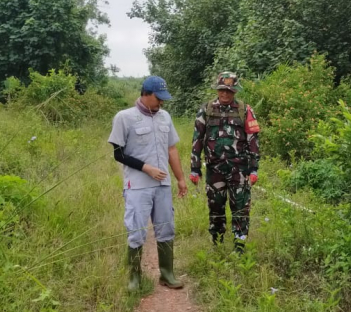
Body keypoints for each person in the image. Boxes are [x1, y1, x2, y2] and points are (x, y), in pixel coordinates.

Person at [108, 76, 188, 291]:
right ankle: (134, 278)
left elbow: (172, 149)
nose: (161, 103)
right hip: (138, 185)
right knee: (136, 230)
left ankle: (167, 274)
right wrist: (147, 168)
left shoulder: (165, 117)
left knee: (166, 227)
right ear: (146, 94)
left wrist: (180, 178)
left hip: (162, 185)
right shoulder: (125, 117)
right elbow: (118, 154)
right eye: (158, 98)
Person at [190, 72, 260, 254]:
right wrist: (194, 168)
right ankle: (217, 243)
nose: (225, 94)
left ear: (235, 91)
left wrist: (254, 168)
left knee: (241, 208)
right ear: (218, 90)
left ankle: (239, 246)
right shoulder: (206, 109)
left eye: (229, 91)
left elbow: (253, 140)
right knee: (216, 207)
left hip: (240, 170)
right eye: (222, 90)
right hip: (215, 170)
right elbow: (197, 139)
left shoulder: (245, 110)